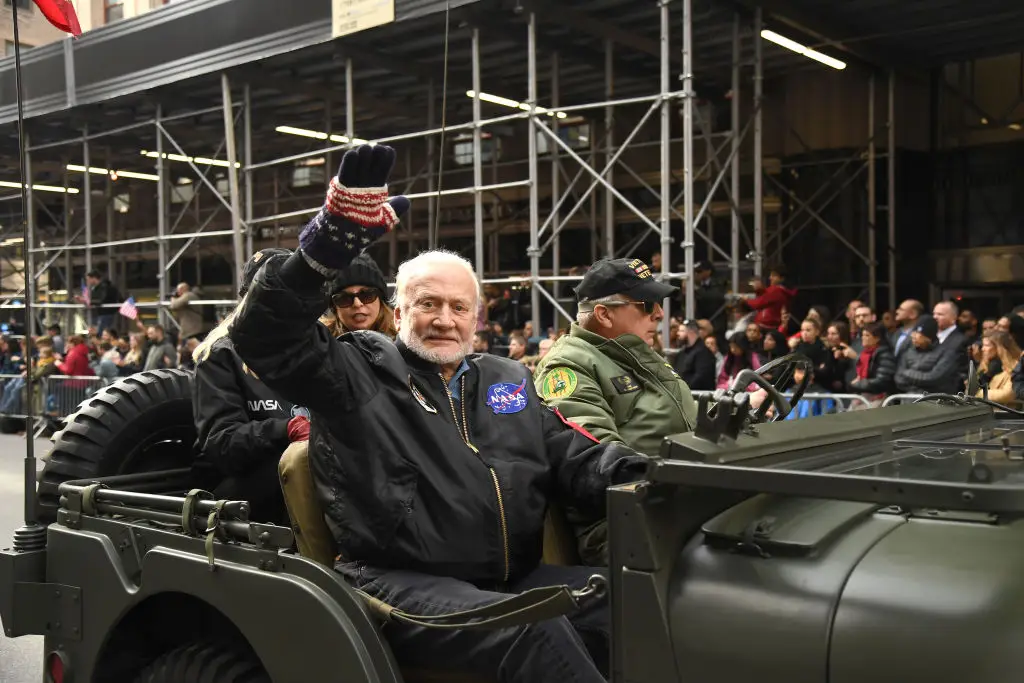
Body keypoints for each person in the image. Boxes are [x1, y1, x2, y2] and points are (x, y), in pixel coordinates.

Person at [229, 144, 647, 683]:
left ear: (477, 318)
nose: (444, 320)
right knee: (530, 628)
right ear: (397, 311)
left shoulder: (507, 379)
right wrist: (321, 253)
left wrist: (653, 476)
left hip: (508, 577)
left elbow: (576, 455)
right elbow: (265, 338)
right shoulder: (355, 369)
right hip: (396, 580)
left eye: (459, 307)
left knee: (633, 599)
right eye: (427, 304)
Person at [532, 256, 698, 564]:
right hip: (620, 522)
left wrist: (739, 410)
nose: (659, 314)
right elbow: (594, 459)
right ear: (604, 315)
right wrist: (678, 481)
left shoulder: (635, 354)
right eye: (647, 304)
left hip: (673, 501)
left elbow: (683, 411)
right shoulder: (568, 367)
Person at [191, 247, 304, 526]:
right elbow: (223, 444)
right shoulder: (220, 354)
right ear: (248, 300)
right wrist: (285, 428)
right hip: (237, 489)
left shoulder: (309, 347)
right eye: (267, 293)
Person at [320, 252, 397, 337]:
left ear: (381, 299)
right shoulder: (319, 344)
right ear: (334, 307)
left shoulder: (406, 342)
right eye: (344, 299)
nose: (357, 304)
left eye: (366, 295)